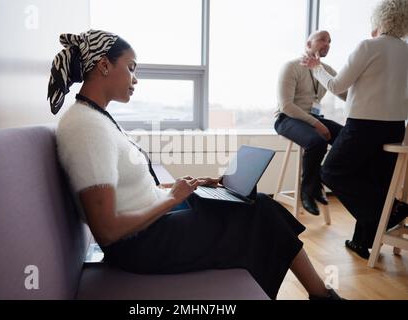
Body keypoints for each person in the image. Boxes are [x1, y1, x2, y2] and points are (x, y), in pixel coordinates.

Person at [48, 29, 344, 300]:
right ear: (104, 65)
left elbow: (124, 190)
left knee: (251, 203)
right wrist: (173, 199)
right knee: (260, 214)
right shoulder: (87, 127)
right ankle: (321, 295)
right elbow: (108, 230)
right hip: (143, 245)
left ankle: (317, 294)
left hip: (153, 224)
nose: (135, 79)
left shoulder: (95, 119)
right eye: (131, 68)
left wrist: (182, 187)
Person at [301, 0, 408, 259]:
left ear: (379, 19)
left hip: (363, 126)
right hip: (395, 128)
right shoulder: (405, 50)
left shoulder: (368, 46)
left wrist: (317, 69)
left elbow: (337, 86)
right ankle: (362, 241)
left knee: (331, 172)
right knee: (374, 180)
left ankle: (392, 209)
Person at [275, 30, 347, 216]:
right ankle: (307, 190)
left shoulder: (327, 71)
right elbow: (286, 105)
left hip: (312, 118)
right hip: (287, 118)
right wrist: (317, 124)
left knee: (348, 138)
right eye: (322, 39)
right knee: (317, 142)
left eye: (330, 41)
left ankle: (320, 178)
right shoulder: (291, 67)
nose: (327, 44)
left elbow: (346, 95)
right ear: (308, 44)